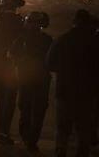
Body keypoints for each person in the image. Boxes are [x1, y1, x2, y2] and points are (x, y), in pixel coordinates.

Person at [47, 9, 99, 157]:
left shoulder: (62, 39)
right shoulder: (94, 42)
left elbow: (49, 63)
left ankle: (60, 151)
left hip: (64, 91)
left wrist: (64, 70)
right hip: (87, 93)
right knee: (84, 129)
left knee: (63, 128)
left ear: (74, 22)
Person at [9, 11, 52, 152]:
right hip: (41, 80)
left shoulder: (22, 38)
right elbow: (52, 60)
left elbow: (11, 55)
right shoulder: (47, 39)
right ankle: (31, 141)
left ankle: (27, 137)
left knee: (25, 109)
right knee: (37, 112)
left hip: (26, 79)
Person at [0, 0, 25, 145]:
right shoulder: (21, 21)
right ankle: (5, 130)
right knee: (10, 98)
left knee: (0, 96)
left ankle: (1, 129)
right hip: (14, 65)